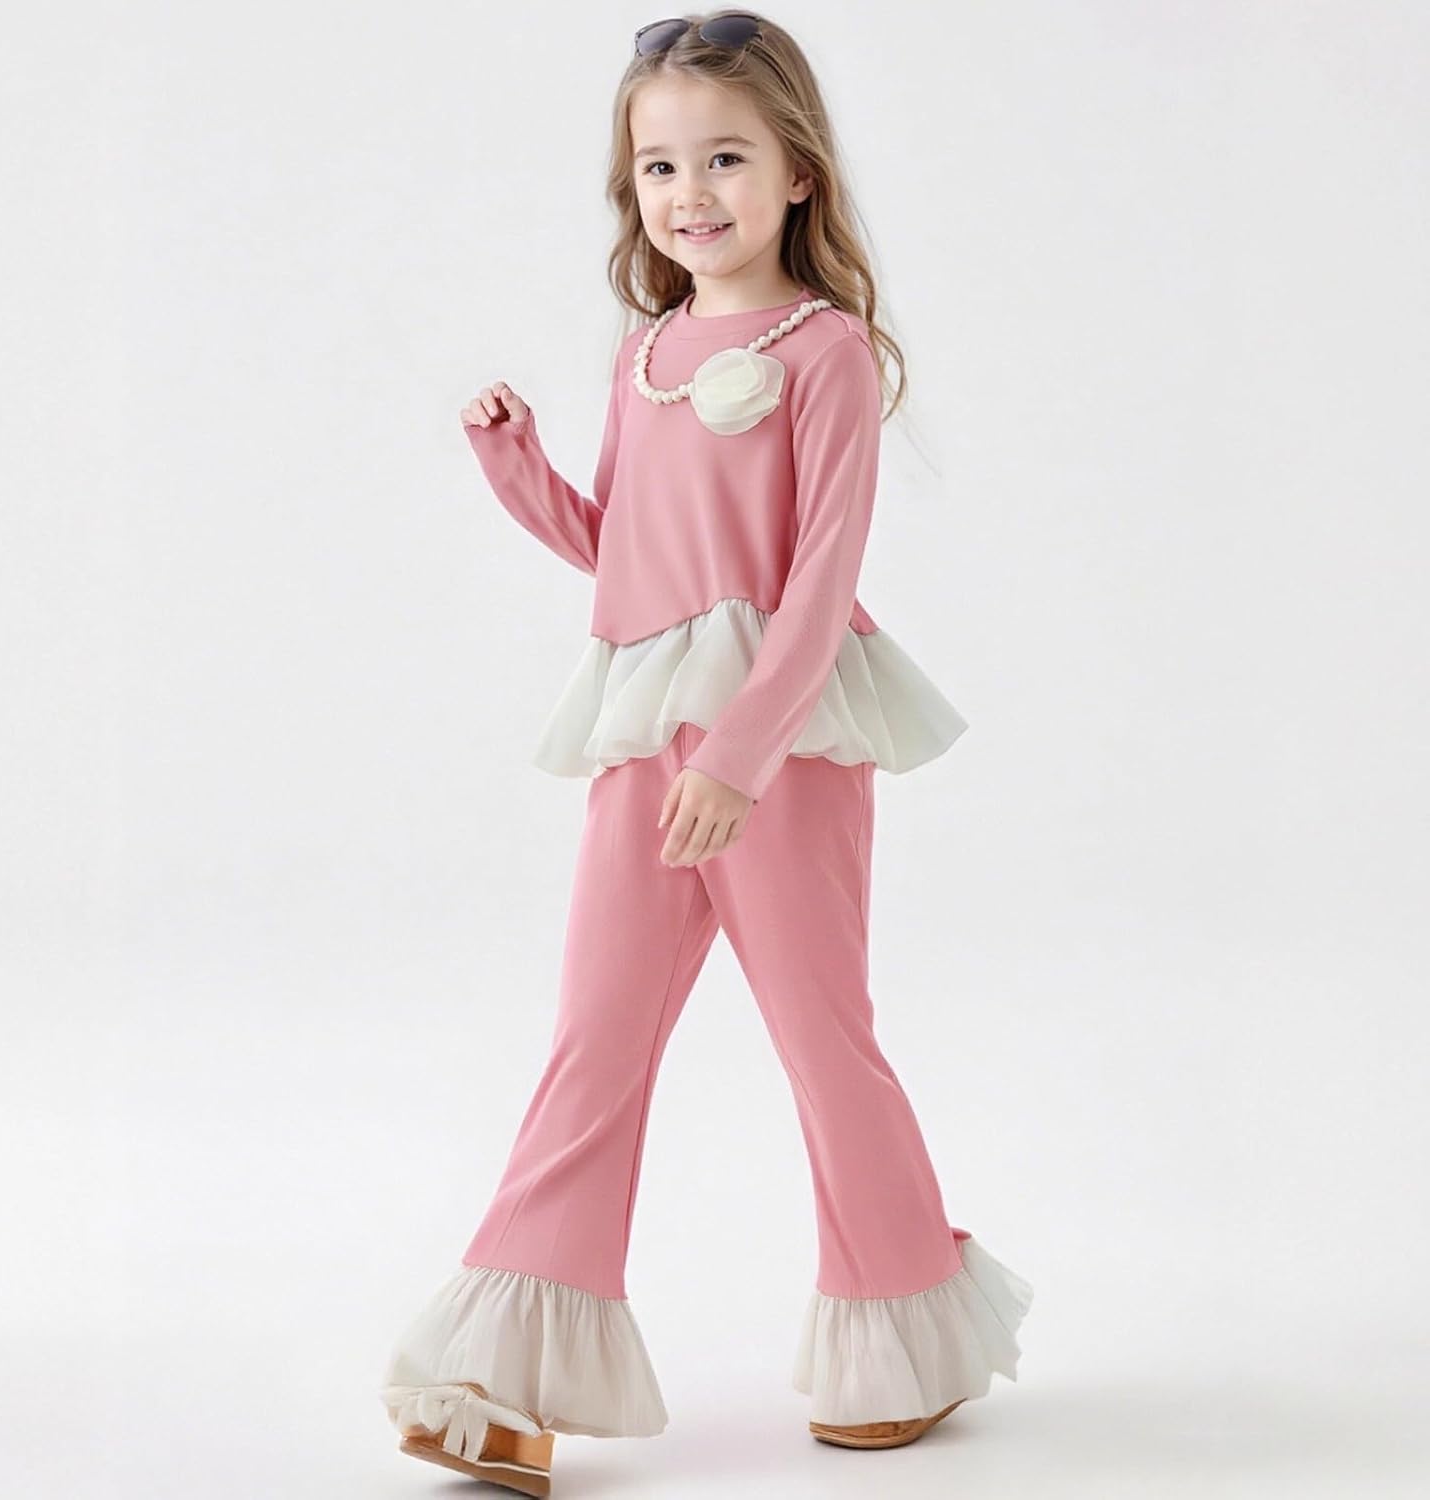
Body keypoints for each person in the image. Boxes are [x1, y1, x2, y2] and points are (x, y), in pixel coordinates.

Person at [379, 10, 1032, 1493]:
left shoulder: (828, 355)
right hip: (642, 739)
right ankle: (505, 1379)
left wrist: (738, 757)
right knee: (594, 1039)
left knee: (822, 1039)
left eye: (725, 157)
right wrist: (516, 469)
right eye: (661, 165)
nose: (691, 193)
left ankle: (908, 1327)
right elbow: (627, 558)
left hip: (780, 748)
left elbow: (818, 581)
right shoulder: (647, 352)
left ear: (798, 171)